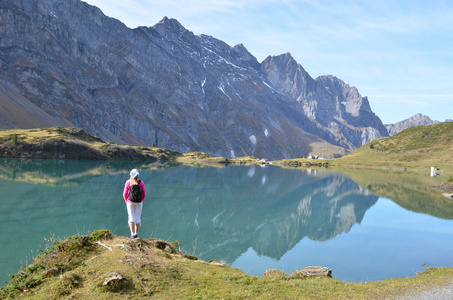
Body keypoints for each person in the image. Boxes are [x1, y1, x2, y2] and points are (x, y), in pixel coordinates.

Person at [123, 169, 146, 239]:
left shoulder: (128, 182)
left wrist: (126, 200)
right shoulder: (141, 182)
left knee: (131, 217)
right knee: (138, 218)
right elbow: (144, 194)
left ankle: (132, 234)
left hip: (130, 202)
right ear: (137, 175)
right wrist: (141, 200)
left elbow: (125, 193)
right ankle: (136, 234)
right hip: (139, 202)